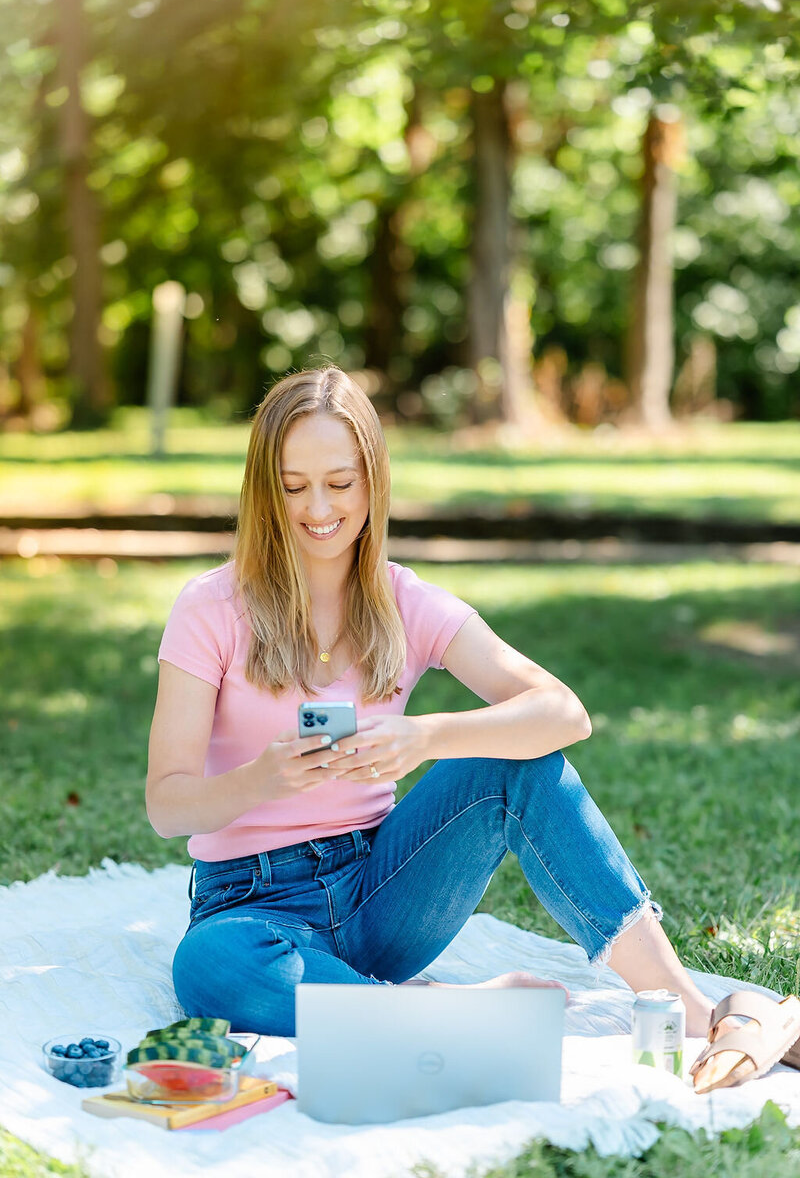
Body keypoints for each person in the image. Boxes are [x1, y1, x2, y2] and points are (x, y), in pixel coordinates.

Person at [146, 365, 714, 1040]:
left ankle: (686, 1006)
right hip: (249, 903)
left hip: (383, 895)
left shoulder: (405, 601)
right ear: (266, 489)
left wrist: (428, 737)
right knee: (209, 968)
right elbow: (166, 804)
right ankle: (430, 1009)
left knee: (519, 764)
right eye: (294, 487)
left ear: (373, 480)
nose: (318, 510)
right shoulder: (209, 607)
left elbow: (565, 712)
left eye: (340, 484)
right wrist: (261, 779)